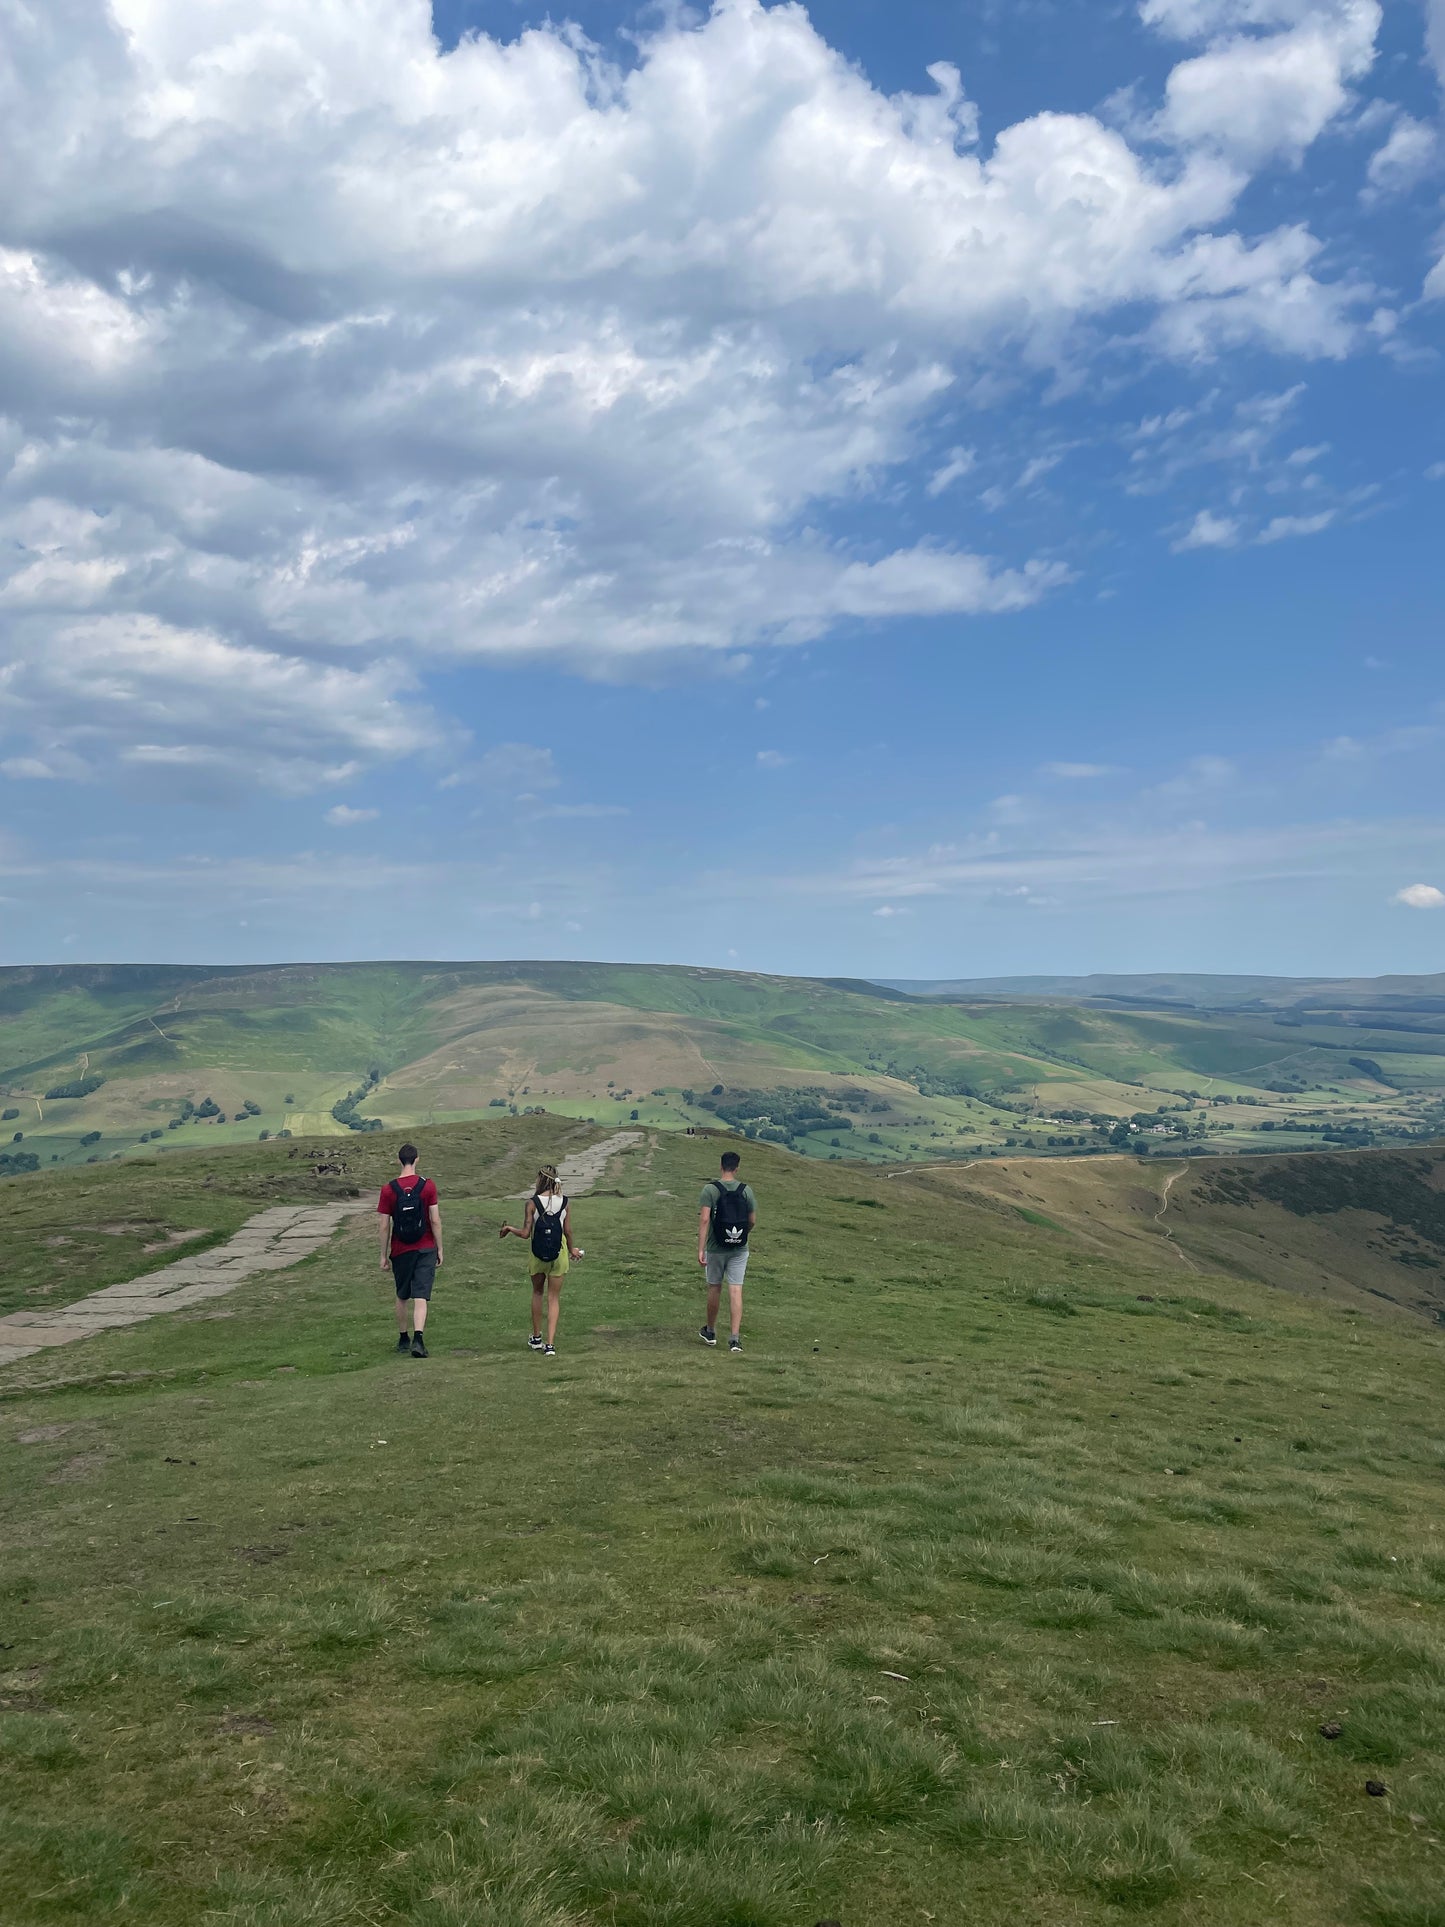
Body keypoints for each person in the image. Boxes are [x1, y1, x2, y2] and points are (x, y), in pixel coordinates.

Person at [500, 1165, 579, 1357]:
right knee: (553, 1298)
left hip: (537, 1254)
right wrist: (572, 1249)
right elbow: (567, 1231)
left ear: (540, 1180)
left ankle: (536, 1338)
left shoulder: (532, 1203)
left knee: (537, 1292)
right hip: (558, 1254)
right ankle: (550, 1345)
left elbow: (526, 1233)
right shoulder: (565, 1202)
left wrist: (510, 1229)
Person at [378, 1142, 442, 1358]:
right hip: (425, 1247)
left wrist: (383, 1255)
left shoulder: (388, 1189)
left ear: (399, 1160)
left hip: (400, 1249)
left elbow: (384, 1225)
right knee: (421, 1295)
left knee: (402, 1295)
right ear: (417, 1159)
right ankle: (419, 1339)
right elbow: (435, 1220)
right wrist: (439, 1248)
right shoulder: (428, 1186)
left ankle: (403, 1337)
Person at [698, 1149, 756, 1353]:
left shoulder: (710, 1190)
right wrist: (742, 1235)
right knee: (735, 1289)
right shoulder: (746, 1190)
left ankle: (711, 1331)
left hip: (716, 1247)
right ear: (737, 1167)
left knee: (715, 1287)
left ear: (721, 1166)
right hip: (740, 1248)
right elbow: (752, 1220)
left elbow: (705, 1219)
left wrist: (701, 1248)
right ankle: (734, 1339)